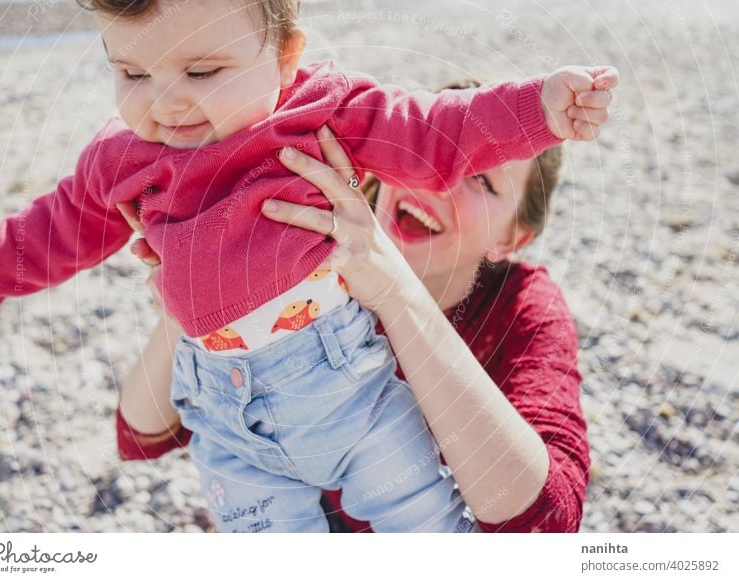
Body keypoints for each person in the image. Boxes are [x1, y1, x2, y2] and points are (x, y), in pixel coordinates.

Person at [0, 0, 616, 532]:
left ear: (286, 56)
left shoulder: (320, 116)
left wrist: (541, 110)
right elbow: (42, 239)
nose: (166, 102)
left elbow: (436, 129)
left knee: (429, 527)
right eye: (132, 73)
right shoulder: (124, 159)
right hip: (220, 407)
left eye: (202, 72)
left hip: (341, 393)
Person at [115, 78, 591, 534]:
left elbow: (548, 525)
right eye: (436, 159)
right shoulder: (302, 244)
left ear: (513, 238)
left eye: (482, 182)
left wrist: (395, 293)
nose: (438, 185)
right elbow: (142, 434)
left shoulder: (523, 309)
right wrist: (185, 307)